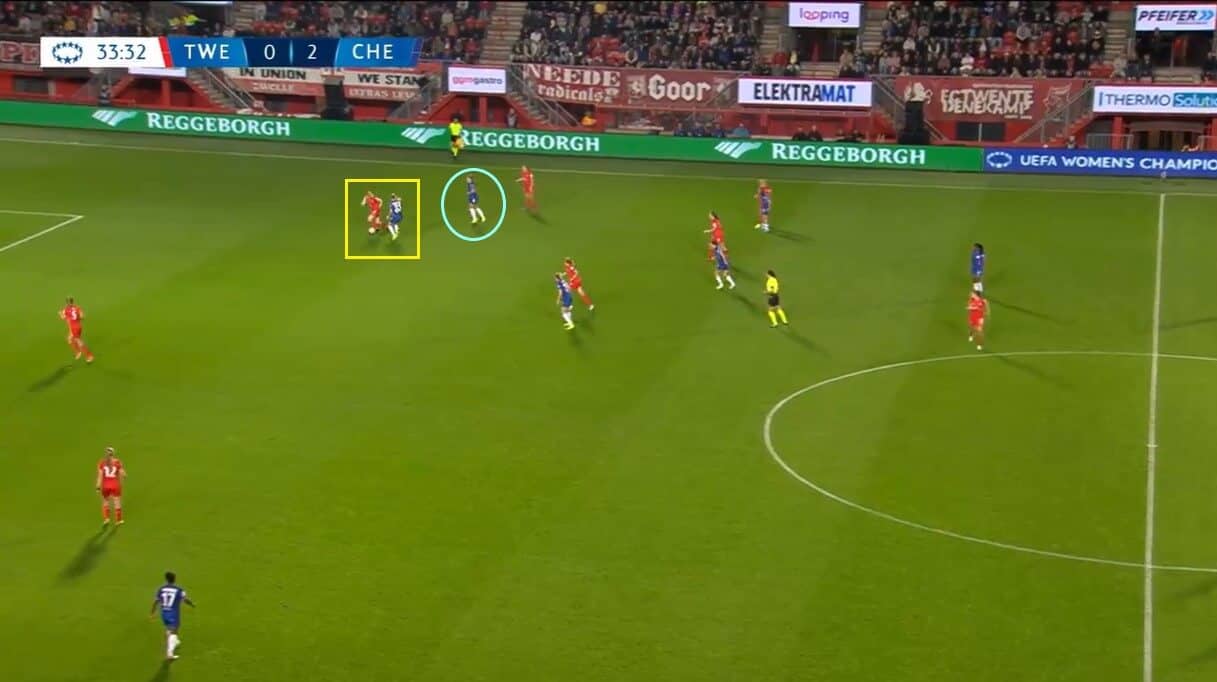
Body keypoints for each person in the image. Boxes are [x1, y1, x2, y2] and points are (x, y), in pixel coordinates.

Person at [150, 572, 195, 661]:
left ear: (166, 579)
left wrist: (152, 612)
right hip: (173, 613)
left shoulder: (161, 589)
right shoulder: (179, 589)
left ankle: (175, 641)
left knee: (172, 629)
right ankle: (170, 653)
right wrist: (192, 604)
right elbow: (185, 599)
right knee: (173, 631)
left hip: (164, 613)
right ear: (175, 579)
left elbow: (156, 601)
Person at [96, 446, 125, 526]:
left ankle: (106, 519)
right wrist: (123, 476)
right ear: (113, 453)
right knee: (117, 501)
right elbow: (123, 474)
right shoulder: (117, 462)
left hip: (105, 486)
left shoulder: (102, 463)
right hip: (115, 485)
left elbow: (100, 476)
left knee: (105, 501)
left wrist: (98, 486)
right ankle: (118, 520)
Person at [59, 297, 94, 363]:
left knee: (79, 341)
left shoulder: (66, 310)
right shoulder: (77, 308)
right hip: (78, 326)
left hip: (74, 328)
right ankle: (78, 352)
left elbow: (63, 317)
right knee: (69, 339)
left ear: (67, 303)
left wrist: (61, 314)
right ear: (72, 302)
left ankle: (89, 356)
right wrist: (77, 318)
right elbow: (82, 317)